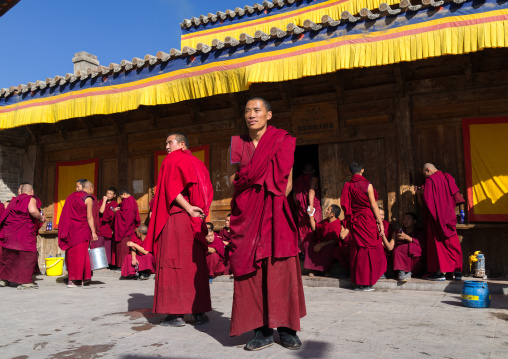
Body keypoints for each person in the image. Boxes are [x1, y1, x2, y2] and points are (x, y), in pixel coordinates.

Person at [227, 97, 306, 351]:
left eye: (257, 110)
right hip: (248, 214)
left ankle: (287, 329)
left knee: (280, 268)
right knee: (252, 271)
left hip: (276, 211)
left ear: (268, 115)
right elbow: (234, 177)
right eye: (248, 110)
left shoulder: (281, 140)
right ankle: (261, 330)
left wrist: (268, 192)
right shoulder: (239, 143)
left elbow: (288, 183)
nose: (252, 114)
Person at [143, 132, 213, 327]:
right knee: (194, 265)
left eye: (169, 142)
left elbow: (171, 189)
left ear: (182, 144)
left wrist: (188, 208)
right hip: (196, 221)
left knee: (173, 262)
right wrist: (198, 212)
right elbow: (208, 191)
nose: (166, 146)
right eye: (165, 142)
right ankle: (199, 313)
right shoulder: (199, 164)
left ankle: (176, 315)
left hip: (177, 218)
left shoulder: (172, 159)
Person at [340, 162, 386, 292]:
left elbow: (344, 205)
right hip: (367, 219)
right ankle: (368, 282)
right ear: (362, 171)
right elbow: (373, 205)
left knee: (358, 251)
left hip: (356, 220)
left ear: (350, 173)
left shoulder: (347, 185)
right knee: (371, 249)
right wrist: (380, 222)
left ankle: (359, 282)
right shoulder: (367, 185)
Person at [417, 163, 464, 281]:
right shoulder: (448, 177)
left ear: (428, 170)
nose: (425, 177)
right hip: (449, 217)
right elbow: (457, 197)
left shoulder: (430, 181)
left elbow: (428, 202)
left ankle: (440, 273)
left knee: (438, 246)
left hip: (436, 218)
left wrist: (421, 194)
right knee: (453, 244)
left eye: (425, 174)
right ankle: (457, 272)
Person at [0, 183, 44, 290]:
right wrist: (41, 217)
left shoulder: (14, 200)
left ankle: (4, 279)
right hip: (23, 235)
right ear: (32, 192)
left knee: (9, 257)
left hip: (10, 234)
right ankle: (25, 282)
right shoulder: (30, 198)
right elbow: (33, 210)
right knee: (28, 257)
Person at [58, 180, 98, 288]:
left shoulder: (71, 197)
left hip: (71, 231)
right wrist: (94, 232)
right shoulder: (88, 198)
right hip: (82, 231)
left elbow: (65, 214)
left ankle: (83, 277)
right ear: (90, 188)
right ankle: (75, 280)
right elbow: (89, 217)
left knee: (74, 255)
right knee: (81, 255)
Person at [304, 204, 348, 276]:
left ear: (332, 214)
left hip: (329, 245)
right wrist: (311, 215)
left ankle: (325, 270)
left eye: (328, 210)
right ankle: (315, 270)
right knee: (308, 244)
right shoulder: (325, 222)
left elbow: (335, 240)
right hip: (321, 243)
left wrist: (321, 245)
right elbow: (315, 227)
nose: (326, 211)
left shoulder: (337, 224)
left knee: (329, 248)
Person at [383, 212, 425, 281]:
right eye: (404, 219)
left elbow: (422, 246)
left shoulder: (419, 234)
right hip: (399, 261)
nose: (406, 221)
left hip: (414, 265)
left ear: (414, 221)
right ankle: (401, 271)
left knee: (416, 247)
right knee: (399, 249)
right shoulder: (397, 232)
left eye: (408, 219)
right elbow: (390, 247)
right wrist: (383, 236)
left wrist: (407, 238)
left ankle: (410, 271)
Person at [293, 164, 322, 250]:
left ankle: (304, 250)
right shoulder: (314, 179)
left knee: (304, 229)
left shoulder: (299, 180)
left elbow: (295, 194)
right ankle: (314, 249)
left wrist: (298, 206)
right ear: (313, 171)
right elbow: (311, 190)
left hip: (302, 207)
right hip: (313, 206)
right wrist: (311, 206)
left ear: (304, 172)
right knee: (316, 226)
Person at [113, 189, 140, 271]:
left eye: (122, 197)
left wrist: (116, 212)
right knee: (122, 247)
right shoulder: (131, 201)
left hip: (125, 228)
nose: (122, 199)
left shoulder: (129, 201)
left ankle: (122, 265)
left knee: (123, 247)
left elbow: (126, 216)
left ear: (125, 194)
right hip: (128, 228)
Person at [91, 187, 117, 266]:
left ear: (114, 195)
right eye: (107, 193)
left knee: (107, 246)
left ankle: (107, 263)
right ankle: (97, 263)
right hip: (100, 226)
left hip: (108, 227)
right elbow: (101, 211)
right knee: (98, 245)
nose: (108, 195)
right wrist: (104, 201)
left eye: (110, 194)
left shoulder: (114, 204)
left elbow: (114, 216)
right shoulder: (101, 202)